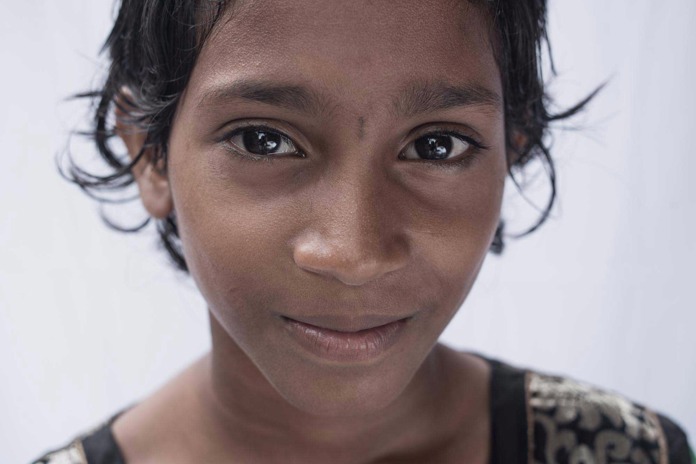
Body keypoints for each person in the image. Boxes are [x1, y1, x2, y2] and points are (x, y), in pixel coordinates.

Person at [34, 0, 694, 463]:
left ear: (512, 147)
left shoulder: (631, 453)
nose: (355, 253)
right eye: (265, 140)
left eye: (436, 146)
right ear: (150, 151)